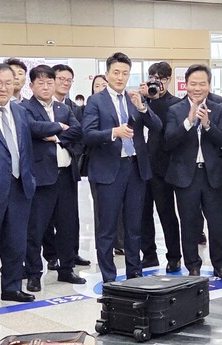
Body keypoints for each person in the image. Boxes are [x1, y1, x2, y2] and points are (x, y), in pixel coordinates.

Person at [0, 63, 65, 311]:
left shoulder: (20, 112)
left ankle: (12, 287)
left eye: (9, 83)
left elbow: (25, 147)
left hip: (20, 188)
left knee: (15, 242)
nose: (4, 88)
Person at [81, 52, 162, 283]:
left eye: (125, 73)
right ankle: (108, 276)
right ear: (107, 74)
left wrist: (143, 108)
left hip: (135, 168)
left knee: (134, 226)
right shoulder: (96, 101)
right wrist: (112, 133)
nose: (120, 77)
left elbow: (157, 126)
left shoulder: (133, 98)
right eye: (116, 72)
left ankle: (134, 272)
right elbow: (87, 135)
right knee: (107, 228)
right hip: (108, 170)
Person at [164, 64, 222, 279]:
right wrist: (189, 122)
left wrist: (207, 125)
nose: (197, 88)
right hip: (186, 176)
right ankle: (193, 265)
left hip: (212, 174)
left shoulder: (220, 108)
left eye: (202, 83)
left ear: (209, 85)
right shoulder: (175, 110)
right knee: (189, 222)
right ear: (185, 85)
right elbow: (169, 141)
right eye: (193, 83)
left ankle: (220, 264)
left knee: (218, 222)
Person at [20, 65, 86, 292]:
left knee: (68, 225)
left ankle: (66, 269)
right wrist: (58, 127)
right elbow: (32, 128)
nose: (46, 86)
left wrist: (55, 137)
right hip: (41, 178)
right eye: (41, 83)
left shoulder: (63, 107)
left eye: (50, 82)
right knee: (36, 229)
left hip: (66, 175)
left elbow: (78, 131)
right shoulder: (24, 108)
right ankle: (34, 273)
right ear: (31, 86)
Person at [138, 61, 183, 272]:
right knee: (142, 214)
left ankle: (174, 256)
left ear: (168, 80)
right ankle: (148, 254)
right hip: (139, 166)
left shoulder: (175, 103)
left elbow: (168, 131)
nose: (156, 83)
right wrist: (141, 98)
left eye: (161, 79)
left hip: (163, 167)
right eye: (152, 78)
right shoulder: (139, 101)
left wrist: (154, 100)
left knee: (166, 213)